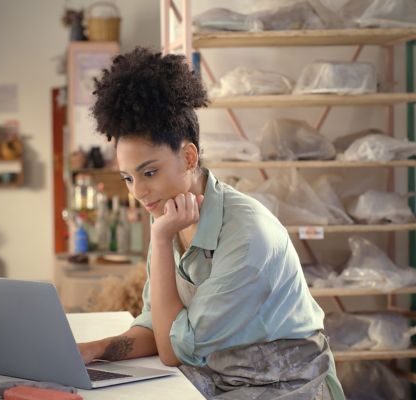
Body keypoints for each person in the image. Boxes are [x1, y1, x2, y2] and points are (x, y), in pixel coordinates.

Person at [77, 48, 344, 400]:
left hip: (287, 386)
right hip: (219, 375)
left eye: (150, 172)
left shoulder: (247, 237)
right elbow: (156, 327)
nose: (138, 192)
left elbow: (173, 350)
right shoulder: (171, 217)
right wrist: (90, 350)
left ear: (189, 157)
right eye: (128, 178)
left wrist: (159, 242)